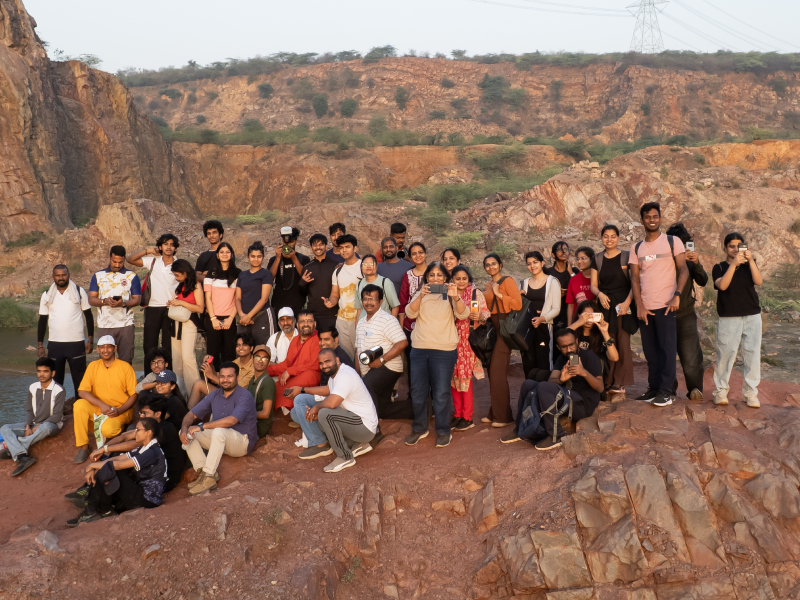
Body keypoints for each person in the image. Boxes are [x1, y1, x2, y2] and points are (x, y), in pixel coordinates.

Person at [629, 202, 690, 407]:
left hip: (666, 305)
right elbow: (635, 279)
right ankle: (654, 388)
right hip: (646, 307)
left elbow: (684, 271)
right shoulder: (636, 248)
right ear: (642, 220)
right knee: (651, 352)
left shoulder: (673, 242)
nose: (652, 220)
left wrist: (677, 295)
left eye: (655, 216)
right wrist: (639, 305)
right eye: (648, 217)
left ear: (660, 218)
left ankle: (666, 392)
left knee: (666, 349)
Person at [502, 329, 603, 450]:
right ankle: (520, 427)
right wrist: (561, 379)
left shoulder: (589, 356)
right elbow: (551, 380)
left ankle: (556, 436)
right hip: (567, 396)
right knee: (528, 384)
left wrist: (584, 373)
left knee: (544, 387)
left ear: (577, 341)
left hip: (583, 403)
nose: (569, 349)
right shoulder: (562, 358)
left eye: (571, 344)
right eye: (564, 347)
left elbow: (600, 387)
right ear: (558, 347)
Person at [404, 262, 470, 448]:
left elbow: (463, 315)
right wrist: (421, 295)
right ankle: (419, 428)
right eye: (431, 275)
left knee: (441, 393)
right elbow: (409, 313)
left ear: (445, 278)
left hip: (443, 350)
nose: (435, 278)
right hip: (419, 349)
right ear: (426, 277)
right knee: (418, 392)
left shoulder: (449, 294)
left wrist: (455, 296)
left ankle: (443, 431)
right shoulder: (421, 292)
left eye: (439, 275)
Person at [290, 349, 379, 473]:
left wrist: (316, 408)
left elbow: (332, 403)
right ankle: (355, 443)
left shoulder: (345, 374)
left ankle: (345, 457)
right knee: (296, 412)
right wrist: (302, 390)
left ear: (337, 360)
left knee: (325, 414)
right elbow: (327, 389)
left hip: (364, 427)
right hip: (352, 420)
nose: (324, 366)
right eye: (321, 363)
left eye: (327, 361)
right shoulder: (334, 376)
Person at [67, 417, 167, 526]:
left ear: (148, 433)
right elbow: (119, 458)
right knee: (108, 467)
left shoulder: (152, 452)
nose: (135, 433)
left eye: (138, 430)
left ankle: (93, 510)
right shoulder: (145, 448)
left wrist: (92, 465)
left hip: (148, 499)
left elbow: (119, 465)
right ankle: (102, 509)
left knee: (111, 469)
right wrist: (94, 467)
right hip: (141, 492)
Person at [180, 362, 258, 495]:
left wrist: (202, 426)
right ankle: (203, 472)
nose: (225, 380)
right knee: (189, 433)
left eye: (230, 376)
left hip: (242, 441)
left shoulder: (244, 396)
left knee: (218, 431)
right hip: (221, 439)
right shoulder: (215, 395)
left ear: (237, 378)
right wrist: (183, 429)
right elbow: (191, 414)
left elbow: (231, 421)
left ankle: (209, 476)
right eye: (222, 376)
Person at [87, 395, 186, 493]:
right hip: (150, 470)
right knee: (116, 453)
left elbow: (134, 445)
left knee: (118, 467)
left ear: (157, 414)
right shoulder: (150, 426)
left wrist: (104, 450)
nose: (141, 416)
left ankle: (93, 489)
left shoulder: (163, 430)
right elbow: (124, 436)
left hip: (164, 480)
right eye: (141, 413)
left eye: (145, 413)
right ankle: (91, 487)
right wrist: (101, 449)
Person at [712, 233, 763, 408]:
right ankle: (720, 392)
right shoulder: (719, 267)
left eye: (738, 246)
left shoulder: (750, 265)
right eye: (731, 246)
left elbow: (759, 281)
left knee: (752, 354)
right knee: (726, 355)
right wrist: (733, 264)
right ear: (725, 248)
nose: (735, 249)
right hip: (729, 317)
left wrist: (750, 261)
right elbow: (723, 285)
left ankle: (750, 394)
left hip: (752, 316)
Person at [73, 335, 138, 464]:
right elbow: (82, 391)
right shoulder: (93, 366)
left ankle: (118, 427)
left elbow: (134, 395)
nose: (105, 350)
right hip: (99, 408)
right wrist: (101, 405)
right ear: (97, 349)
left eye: (109, 347)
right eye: (102, 347)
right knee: (79, 405)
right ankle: (84, 447)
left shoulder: (125, 367)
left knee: (108, 430)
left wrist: (119, 411)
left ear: (115, 348)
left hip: (119, 411)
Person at [589, 225, 635, 397]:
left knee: (623, 342)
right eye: (606, 236)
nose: (609, 239)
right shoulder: (598, 259)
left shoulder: (626, 257)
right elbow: (594, 285)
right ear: (601, 238)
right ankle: (606, 381)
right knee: (606, 340)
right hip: (605, 304)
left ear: (619, 238)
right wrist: (600, 294)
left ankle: (620, 382)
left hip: (623, 306)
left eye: (613, 236)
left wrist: (627, 303)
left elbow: (634, 283)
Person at [665, 223, 708, 402]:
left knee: (691, 355)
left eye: (683, 244)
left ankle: (695, 390)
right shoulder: (664, 261)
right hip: (665, 313)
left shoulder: (689, 261)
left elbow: (703, 280)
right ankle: (669, 390)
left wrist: (696, 263)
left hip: (686, 315)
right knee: (666, 355)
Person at [0, 357, 64, 476]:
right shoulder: (32, 387)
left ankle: (17, 447)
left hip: (51, 425)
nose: (41, 374)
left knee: (47, 428)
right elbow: (29, 410)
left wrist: (38, 426)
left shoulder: (59, 390)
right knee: (5, 428)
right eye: (39, 371)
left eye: (45, 371)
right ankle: (22, 456)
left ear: (53, 373)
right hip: (34, 423)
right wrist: (28, 426)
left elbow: (57, 415)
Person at [127, 234, 180, 374]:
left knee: (168, 346)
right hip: (152, 308)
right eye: (165, 244)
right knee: (149, 346)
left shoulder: (179, 264)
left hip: (171, 309)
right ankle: (148, 377)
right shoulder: (153, 261)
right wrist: (149, 251)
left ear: (175, 247)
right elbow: (130, 259)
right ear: (160, 246)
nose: (168, 247)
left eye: (171, 244)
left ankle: (167, 378)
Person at [355, 284, 411, 419]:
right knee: (382, 408)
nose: (368, 302)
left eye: (372, 299)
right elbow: (358, 349)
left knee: (367, 386)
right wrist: (358, 374)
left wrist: (381, 360)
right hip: (371, 370)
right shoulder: (361, 322)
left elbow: (403, 342)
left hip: (388, 367)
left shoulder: (388, 319)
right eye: (365, 299)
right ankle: (417, 409)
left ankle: (372, 429)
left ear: (380, 301)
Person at [483, 253, 523, 428]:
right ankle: (495, 413)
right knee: (493, 372)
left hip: (505, 328)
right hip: (494, 326)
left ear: (500, 265)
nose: (491, 267)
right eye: (487, 265)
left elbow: (518, 304)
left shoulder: (508, 281)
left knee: (497, 370)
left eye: (494, 264)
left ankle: (504, 417)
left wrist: (499, 294)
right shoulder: (488, 284)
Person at [37, 264, 94, 390]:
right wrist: (40, 345)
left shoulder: (79, 291)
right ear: (53, 277)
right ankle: (57, 409)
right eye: (57, 275)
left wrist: (90, 340)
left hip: (76, 343)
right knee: (56, 381)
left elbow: (89, 316)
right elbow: (42, 320)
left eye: (63, 275)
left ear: (69, 275)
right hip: (55, 344)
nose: (61, 278)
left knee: (80, 380)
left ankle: (80, 408)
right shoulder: (47, 295)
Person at [450, 266, 490, 431]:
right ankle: (457, 414)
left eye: (464, 278)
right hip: (450, 340)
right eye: (457, 278)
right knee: (453, 378)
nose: (461, 281)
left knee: (465, 378)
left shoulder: (476, 293)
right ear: (452, 279)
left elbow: (486, 313)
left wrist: (480, 316)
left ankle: (467, 417)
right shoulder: (449, 293)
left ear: (469, 279)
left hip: (468, 341)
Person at [88, 246, 142, 365]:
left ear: (124, 260)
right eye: (114, 261)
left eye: (120, 262)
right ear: (109, 258)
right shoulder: (98, 276)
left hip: (125, 325)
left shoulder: (132, 276)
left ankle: (125, 384)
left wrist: (123, 304)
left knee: (126, 361)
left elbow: (137, 299)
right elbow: (91, 299)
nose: (117, 265)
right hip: (105, 325)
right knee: (105, 362)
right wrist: (104, 301)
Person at [187, 332, 257, 410]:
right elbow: (219, 376)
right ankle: (187, 414)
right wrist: (211, 366)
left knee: (200, 387)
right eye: (238, 345)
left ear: (251, 348)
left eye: (244, 345)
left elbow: (237, 389)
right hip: (225, 393)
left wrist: (212, 376)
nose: (240, 348)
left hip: (237, 401)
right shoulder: (235, 362)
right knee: (198, 384)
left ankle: (189, 417)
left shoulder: (254, 366)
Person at [520, 251, 562, 381]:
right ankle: (530, 395)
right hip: (527, 329)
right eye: (529, 264)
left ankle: (544, 394)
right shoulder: (524, 283)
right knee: (528, 362)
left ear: (542, 263)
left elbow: (556, 308)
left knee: (544, 362)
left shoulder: (552, 282)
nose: (532, 266)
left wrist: (542, 319)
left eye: (535, 262)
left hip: (544, 327)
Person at [268, 310, 321, 408]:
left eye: (309, 321)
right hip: (294, 375)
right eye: (302, 322)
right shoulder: (295, 340)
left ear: (315, 324)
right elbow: (287, 363)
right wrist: (267, 371)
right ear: (297, 324)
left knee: (308, 375)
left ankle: (289, 411)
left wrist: (290, 371)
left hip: (310, 377)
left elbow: (315, 365)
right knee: (273, 387)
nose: (306, 324)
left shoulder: (318, 339)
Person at [321, 234, 361, 360]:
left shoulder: (362, 267)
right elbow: (335, 294)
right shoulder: (338, 271)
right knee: (346, 357)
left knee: (362, 355)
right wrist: (330, 302)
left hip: (360, 319)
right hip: (342, 321)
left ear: (355, 248)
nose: (344, 250)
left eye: (347, 247)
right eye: (341, 247)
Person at [168, 258, 204, 394]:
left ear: (185, 272)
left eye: (178, 275)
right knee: (177, 361)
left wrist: (181, 303)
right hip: (176, 323)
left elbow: (200, 308)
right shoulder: (180, 286)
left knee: (188, 358)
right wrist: (173, 304)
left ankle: (194, 392)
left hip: (189, 323)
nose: (176, 278)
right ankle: (180, 394)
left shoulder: (196, 285)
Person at [204, 242, 241, 370]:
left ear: (231, 255)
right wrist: (213, 318)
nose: (225, 254)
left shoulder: (238, 274)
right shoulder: (211, 274)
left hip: (229, 320)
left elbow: (238, 298)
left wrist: (231, 318)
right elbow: (207, 298)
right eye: (222, 252)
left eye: (227, 252)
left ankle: (230, 384)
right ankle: (212, 385)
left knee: (229, 354)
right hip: (213, 319)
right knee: (212, 355)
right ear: (217, 255)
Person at [398, 242, 428, 395]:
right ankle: (413, 397)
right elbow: (403, 304)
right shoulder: (408, 276)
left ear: (425, 253)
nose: (418, 255)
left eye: (420, 252)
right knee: (412, 364)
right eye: (414, 253)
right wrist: (402, 329)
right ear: (410, 256)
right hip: (411, 327)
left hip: (431, 328)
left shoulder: (434, 274)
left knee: (430, 364)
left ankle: (432, 401)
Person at [569, 301, 620, 386]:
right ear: (579, 315)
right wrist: (578, 322)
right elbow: (562, 337)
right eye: (586, 315)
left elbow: (614, 358)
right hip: (575, 371)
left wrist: (605, 333)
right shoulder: (573, 332)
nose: (589, 318)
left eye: (593, 315)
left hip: (594, 375)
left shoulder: (600, 334)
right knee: (572, 353)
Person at [236, 241, 275, 346]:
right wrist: (242, 315)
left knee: (264, 348)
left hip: (261, 316)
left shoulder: (266, 274)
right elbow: (238, 298)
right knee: (243, 348)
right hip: (243, 318)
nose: (256, 259)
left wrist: (249, 316)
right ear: (248, 257)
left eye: (259, 256)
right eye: (253, 256)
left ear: (263, 257)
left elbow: (264, 299)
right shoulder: (242, 275)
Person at [267, 226, 311, 318]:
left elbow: (305, 276)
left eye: (291, 242)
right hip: (278, 302)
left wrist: (294, 258)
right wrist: (278, 258)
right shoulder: (274, 259)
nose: (288, 245)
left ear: (296, 242)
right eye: (286, 242)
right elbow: (270, 278)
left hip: (298, 303)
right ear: (283, 241)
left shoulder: (304, 259)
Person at [300, 233, 339, 332]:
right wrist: (302, 282)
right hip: (313, 314)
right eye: (315, 245)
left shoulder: (335, 266)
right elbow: (302, 294)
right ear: (311, 248)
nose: (318, 247)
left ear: (326, 246)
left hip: (332, 313)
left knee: (330, 343)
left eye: (321, 244)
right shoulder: (307, 268)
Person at [354, 254, 400, 321]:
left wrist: (390, 324)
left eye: (372, 264)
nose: (368, 266)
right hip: (364, 325)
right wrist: (357, 328)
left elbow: (395, 307)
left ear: (376, 266)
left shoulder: (385, 283)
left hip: (382, 325)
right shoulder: (359, 284)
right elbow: (359, 309)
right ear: (361, 267)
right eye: (365, 264)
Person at [543, 241, 575, 332]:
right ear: (553, 255)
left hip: (570, 310)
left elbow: (578, 288)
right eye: (560, 250)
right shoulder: (548, 273)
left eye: (566, 249)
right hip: (553, 312)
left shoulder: (574, 271)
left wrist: (571, 272)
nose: (564, 252)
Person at [248, 346, 277, 438]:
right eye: (257, 357)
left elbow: (265, 413)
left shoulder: (267, 382)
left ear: (268, 363)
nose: (260, 361)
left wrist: (243, 414)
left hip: (258, 428)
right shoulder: (252, 379)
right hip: (250, 422)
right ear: (252, 360)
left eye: (265, 358)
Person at [566, 247, 597, 326]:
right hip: (579, 322)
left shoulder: (599, 278)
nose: (579, 261)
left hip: (596, 323)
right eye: (578, 259)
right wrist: (570, 326)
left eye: (583, 258)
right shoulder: (574, 280)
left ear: (592, 259)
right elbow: (570, 305)